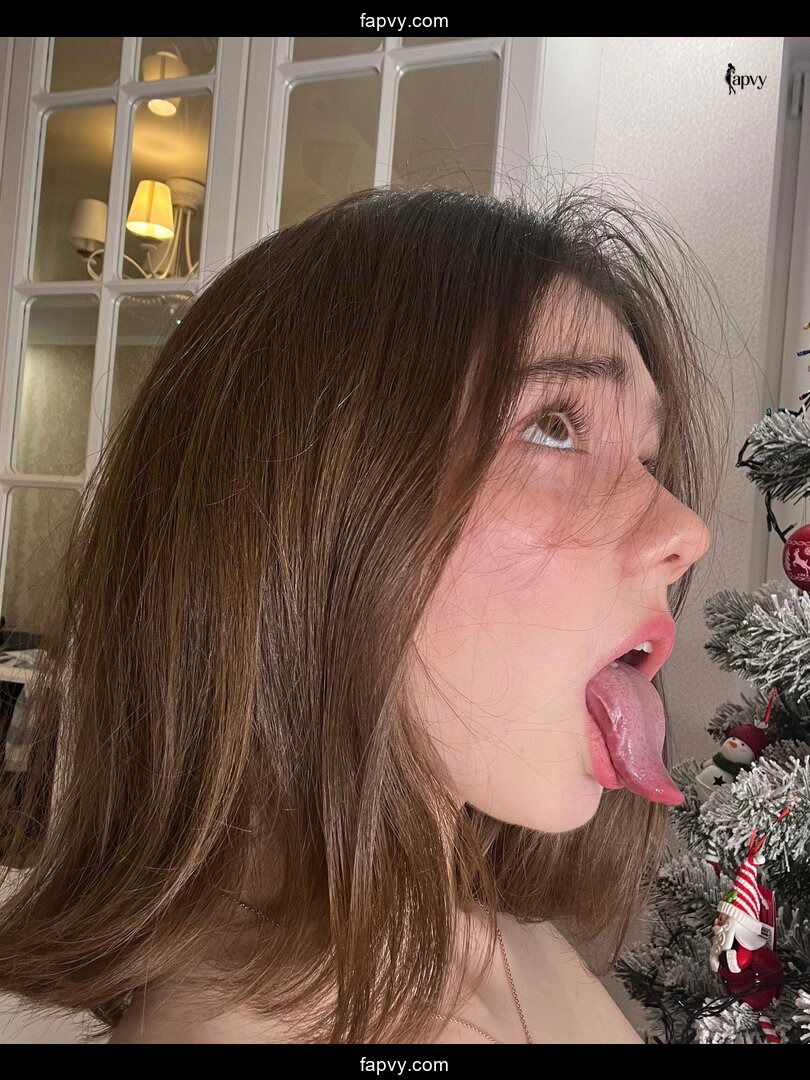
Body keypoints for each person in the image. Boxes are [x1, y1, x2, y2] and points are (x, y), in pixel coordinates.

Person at [0, 181, 726, 1043]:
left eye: (647, 458)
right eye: (555, 426)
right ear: (300, 514)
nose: (686, 530)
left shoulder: (502, 942)